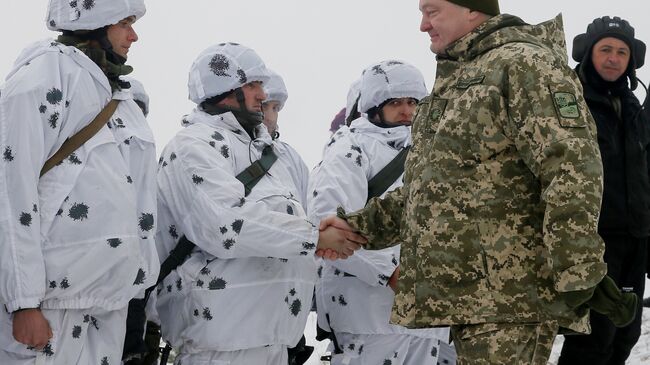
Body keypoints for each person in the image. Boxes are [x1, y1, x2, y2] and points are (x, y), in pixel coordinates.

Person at [319, 1, 638, 364]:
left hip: (512, 298)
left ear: (471, 9)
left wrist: (577, 265)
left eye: (432, 11)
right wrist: (356, 227)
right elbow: (432, 191)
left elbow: (571, 165)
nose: (423, 25)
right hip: (472, 298)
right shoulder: (457, 81)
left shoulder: (523, 63)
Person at [154, 42, 362, 365]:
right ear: (224, 88)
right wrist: (314, 237)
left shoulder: (269, 154)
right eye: (253, 85)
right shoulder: (190, 147)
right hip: (219, 347)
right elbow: (227, 225)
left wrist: (320, 242)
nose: (263, 95)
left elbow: (289, 225)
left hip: (274, 343)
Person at [0, 0, 159, 364]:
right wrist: (23, 302)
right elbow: (11, 191)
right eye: (124, 23)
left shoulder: (121, 99)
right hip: (48, 309)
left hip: (108, 307)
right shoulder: (42, 79)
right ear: (95, 21)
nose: (133, 36)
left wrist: (137, 290)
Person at [309, 60, 451, 365]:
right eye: (395, 102)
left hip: (429, 318)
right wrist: (390, 273)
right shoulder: (350, 147)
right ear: (374, 106)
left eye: (413, 102)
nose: (406, 110)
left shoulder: (437, 149)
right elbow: (331, 225)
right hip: (367, 317)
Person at [558, 16, 650, 365]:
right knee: (593, 337)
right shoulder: (569, 103)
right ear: (588, 53)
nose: (613, 58)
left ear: (632, 59)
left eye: (622, 51)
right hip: (593, 240)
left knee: (627, 335)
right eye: (605, 49)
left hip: (635, 238)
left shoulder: (633, 107)